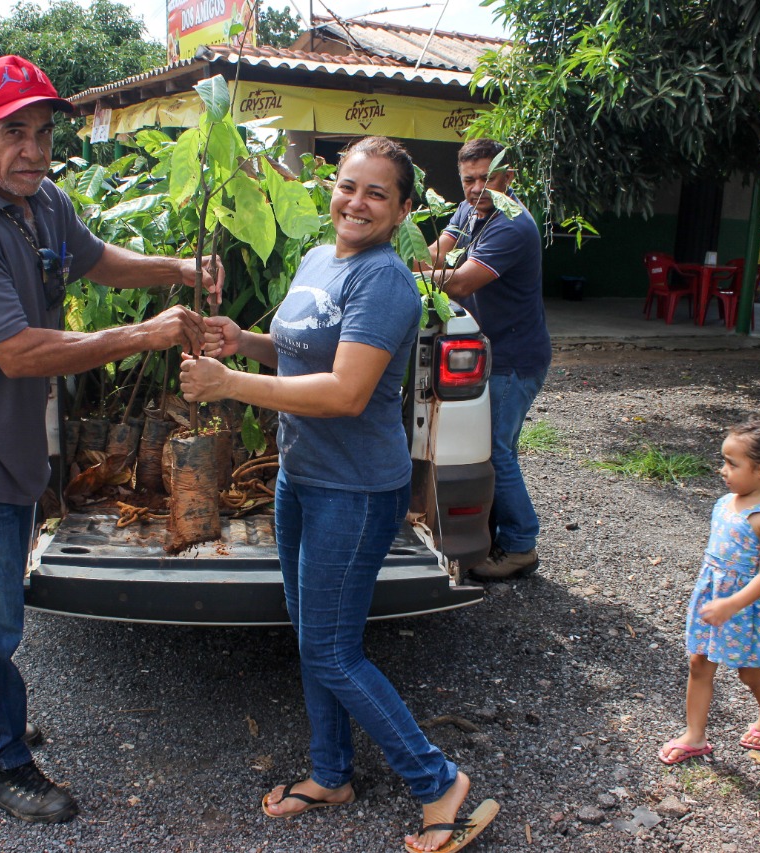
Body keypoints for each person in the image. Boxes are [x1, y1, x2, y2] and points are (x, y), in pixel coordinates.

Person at [0, 54, 219, 824]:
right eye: (15, 133)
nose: (35, 149)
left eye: (43, 132)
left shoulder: (37, 202)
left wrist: (177, 266)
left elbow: (95, 258)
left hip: (7, 443)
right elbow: (18, 351)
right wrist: (145, 335)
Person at [179, 136, 498, 853]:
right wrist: (246, 341)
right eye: (348, 186)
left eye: (377, 193)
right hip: (303, 474)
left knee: (329, 649)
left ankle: (437, 779)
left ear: (404, 209)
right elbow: (305, 349)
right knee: (315, 637)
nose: (356, 202)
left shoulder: (384, 280)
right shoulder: (320, 258)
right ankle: (331, 773)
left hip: (354, 491)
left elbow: (347, 390)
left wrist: (230, 384)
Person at [422, 138, 550, 580]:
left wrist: (401, 274)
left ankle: (520, 545)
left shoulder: (512, 225)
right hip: (492, 350)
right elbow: (437, 254)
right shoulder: (468, 210)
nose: (477, 188)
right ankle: (493, 535)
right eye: (468, 179)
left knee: (495, 453)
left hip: (516, 359)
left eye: (486, 178)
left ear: (507, 177)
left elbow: (458, 284)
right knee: (495, 449)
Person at [658, 419, 760, 765]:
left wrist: (732, 603)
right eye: (724, 461)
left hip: (744, 607)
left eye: (732, 464)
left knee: (749, 672)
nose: (723, 470)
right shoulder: (726, 501)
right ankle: (694, 736)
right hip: (715, 597)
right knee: (699, 663)